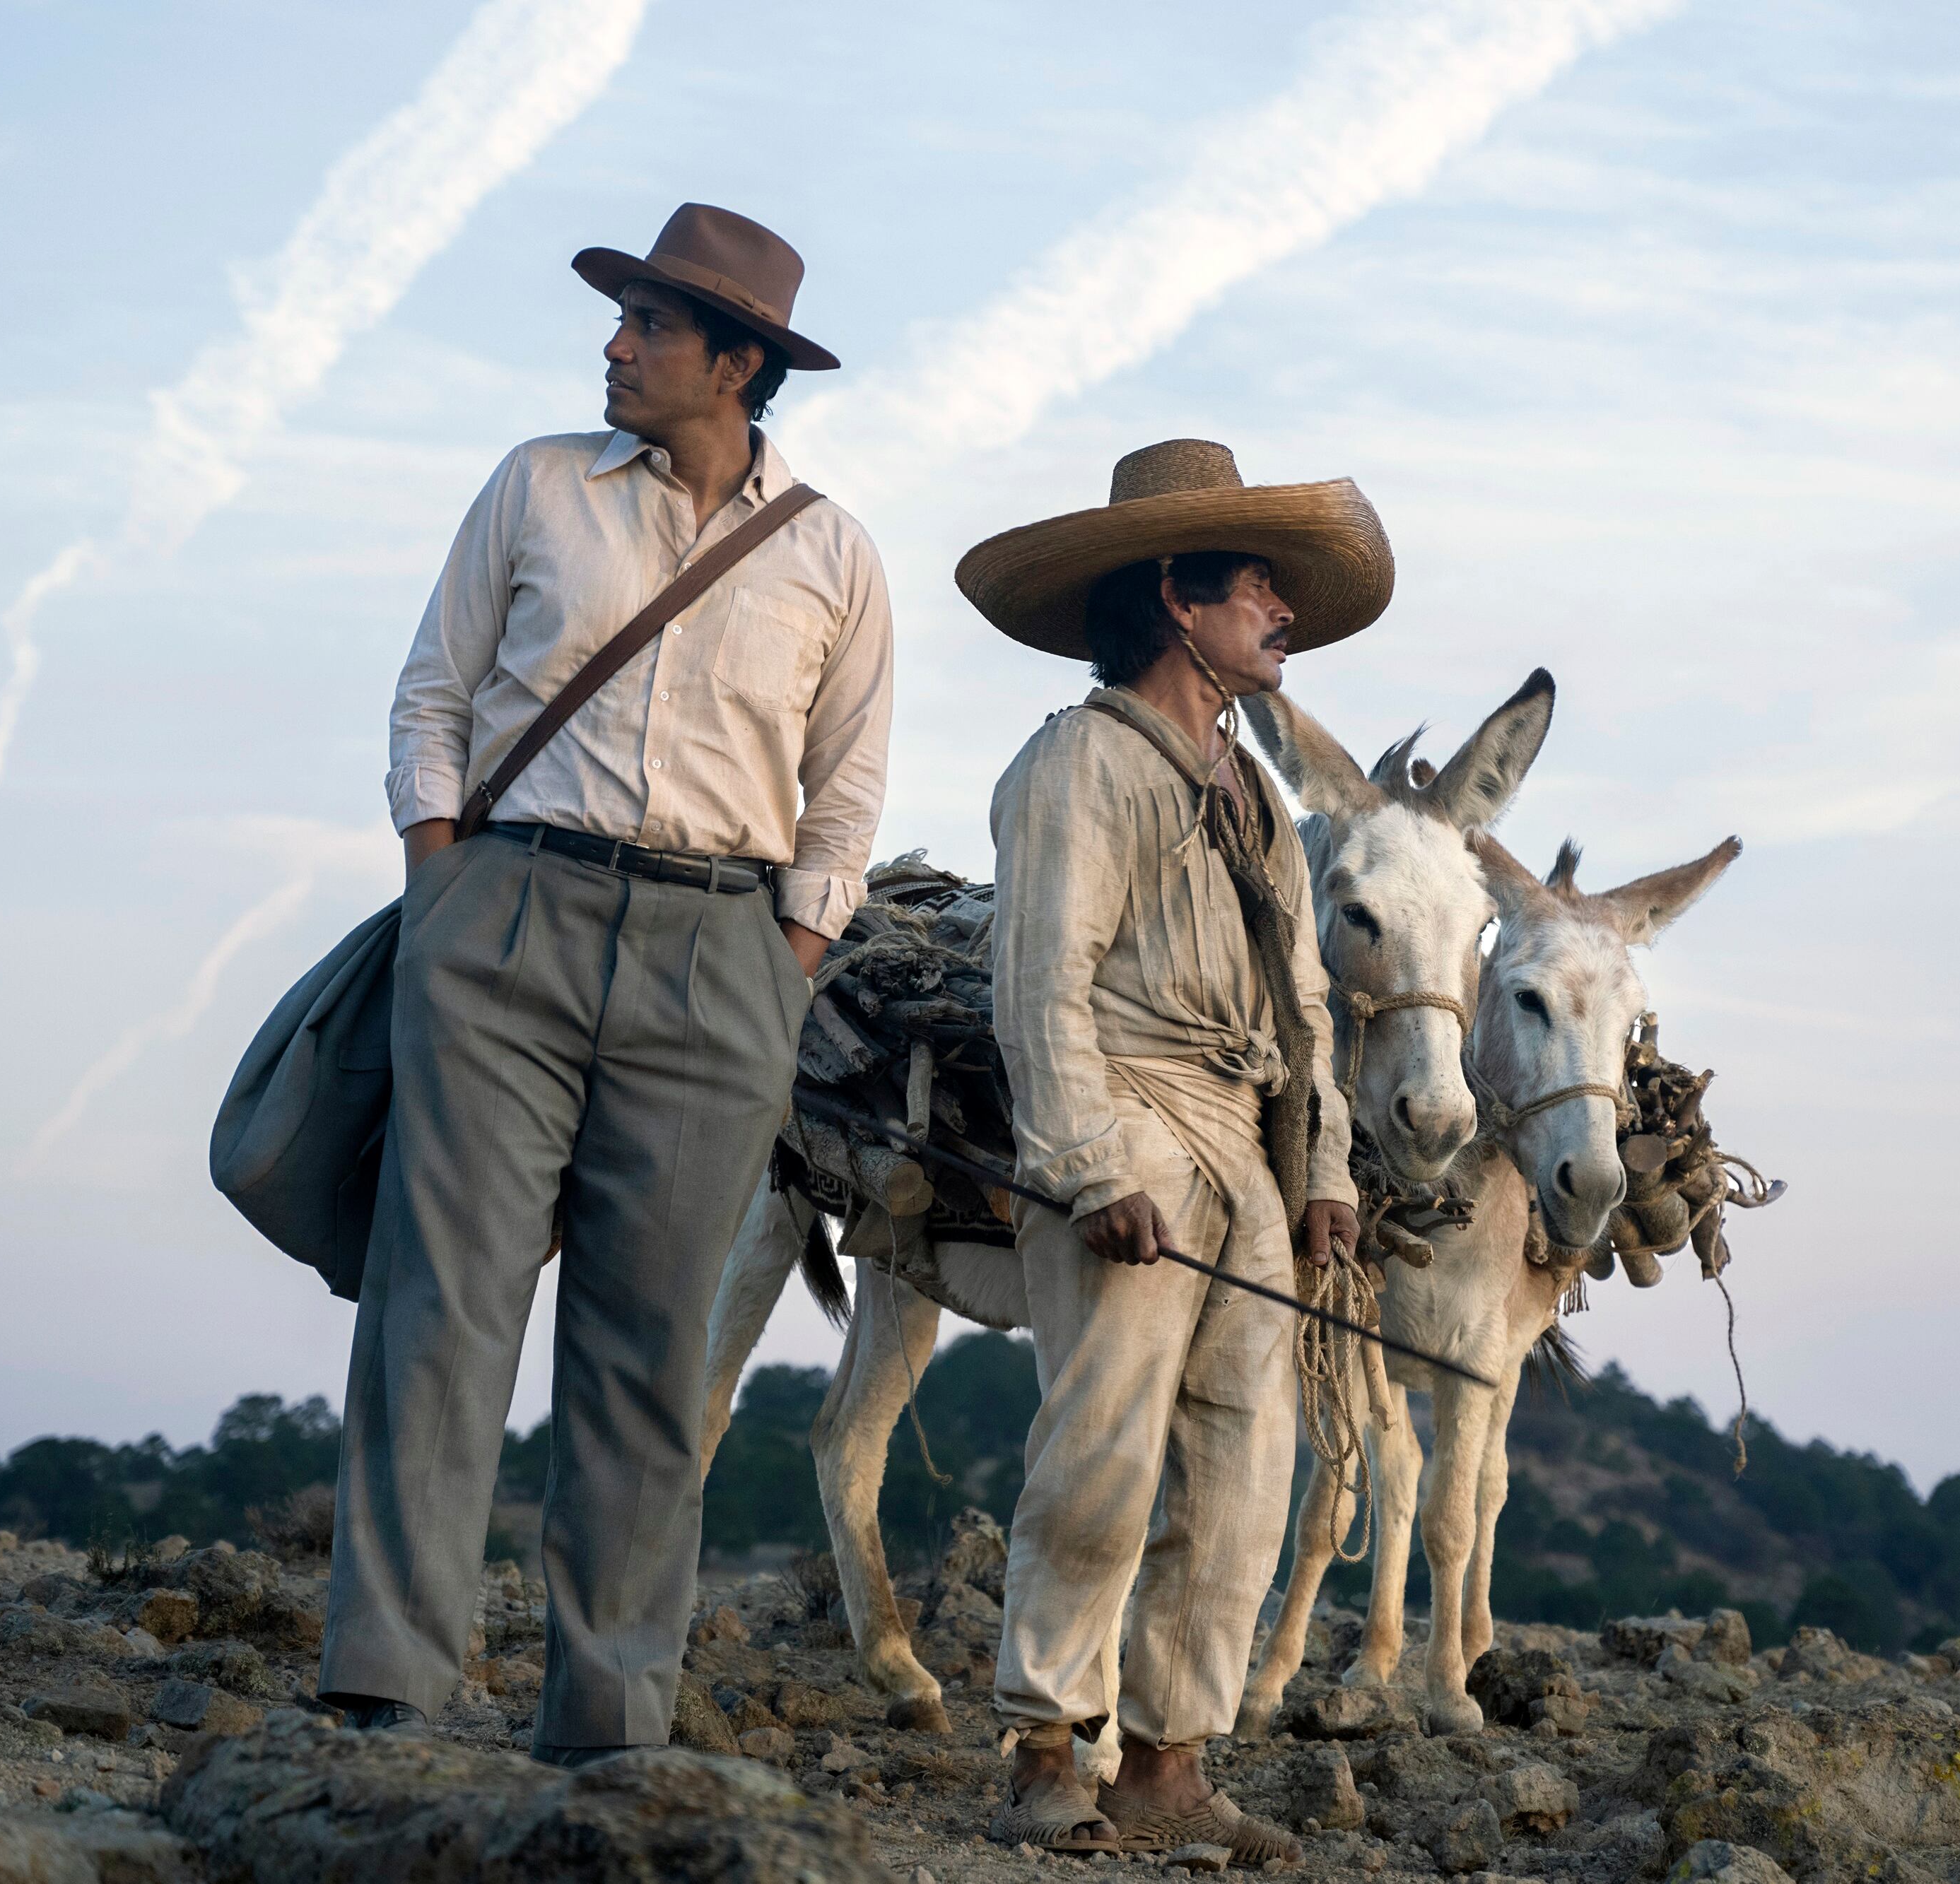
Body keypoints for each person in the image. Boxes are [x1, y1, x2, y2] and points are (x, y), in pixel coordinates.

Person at [319, 203, 893, 1764]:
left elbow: (841, 803)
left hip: (721, 957)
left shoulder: (836, 554)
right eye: (622, 316)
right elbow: (432, 698)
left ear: (738, 362)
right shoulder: (535, 486)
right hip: (504, 916)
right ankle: (382, 1683)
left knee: (648, 1351)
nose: (615, 343)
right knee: (440, 1308)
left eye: (650, 323)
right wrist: (443, 886)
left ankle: (611, 1719)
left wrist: (782, 971)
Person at [954, 439, 1388, 1861]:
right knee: (1102, 1451)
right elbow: (1041, 982)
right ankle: (1040, 1747)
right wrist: (1086, 1163)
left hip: (1240, 1149)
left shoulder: (1254, 796)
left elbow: (1304, 1004)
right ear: (1173, 596)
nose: (1280, 609)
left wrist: (1319, 1168)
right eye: (1253, 582)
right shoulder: (1077, 763)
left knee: (1239, 1466)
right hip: (1128, 1116)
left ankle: (1168, 1761)